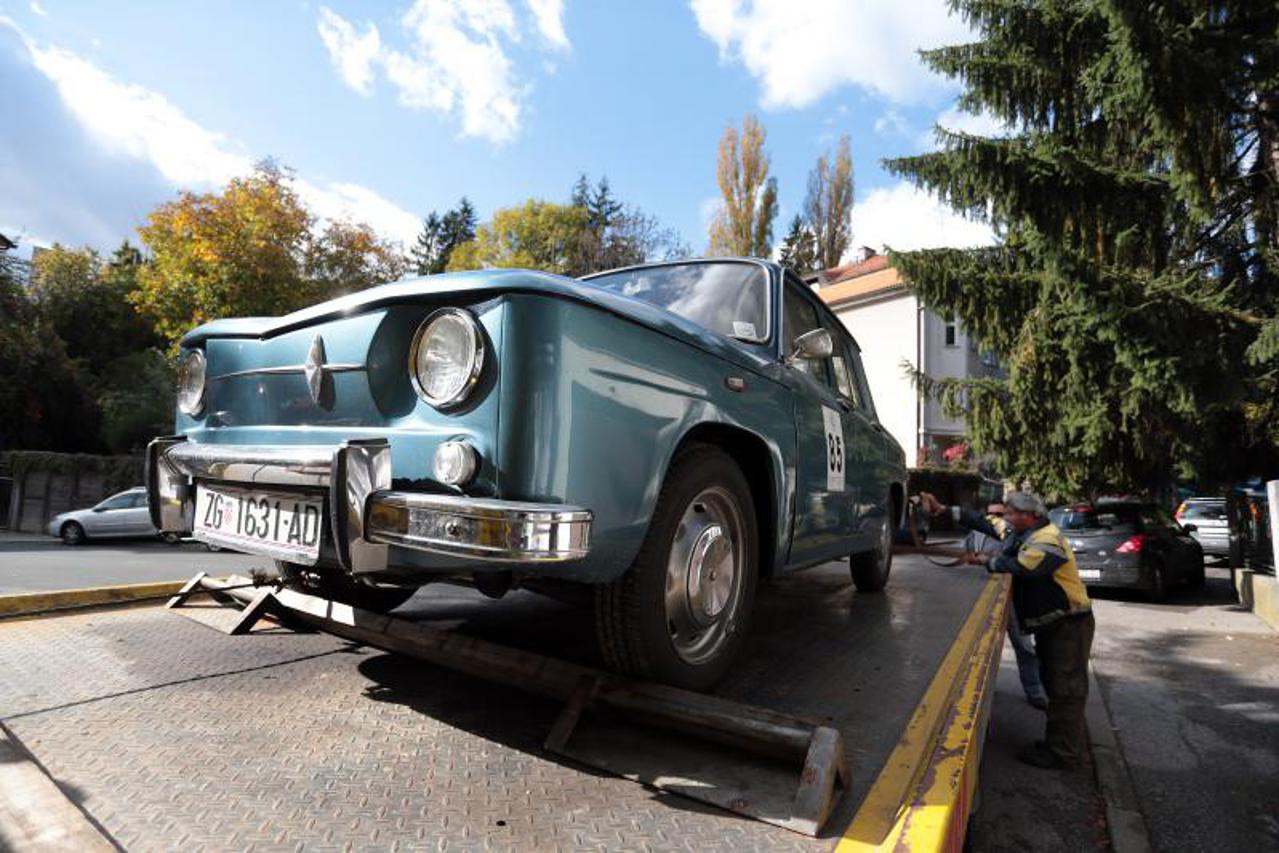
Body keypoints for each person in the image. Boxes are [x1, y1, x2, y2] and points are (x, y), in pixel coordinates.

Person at [921, 490, 1094, 770]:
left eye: (1011, 513)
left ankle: (1063, 754)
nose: (1006, 518)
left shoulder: (1047, 539)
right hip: (1055, 624)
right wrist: (943, 509)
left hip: (1069, 625)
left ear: (1030, 516)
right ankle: (1059, 744)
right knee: (1055, 683)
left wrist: (986, 560)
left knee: (1066, 690)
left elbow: (1025, 566)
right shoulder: (1019, 532)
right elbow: (984, 521)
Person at [963, 501, 1049, 711]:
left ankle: (1035, 691)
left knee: (1024, 647)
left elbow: (1017, 563)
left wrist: (990, 561)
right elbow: (967, 557)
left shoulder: (1014, 535)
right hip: (981, 598)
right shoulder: (974, 535)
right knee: (982, 648)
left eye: (1000, 514)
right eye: (991, 514)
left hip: (1010, 597)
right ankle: (982, 688)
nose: (995, 518)